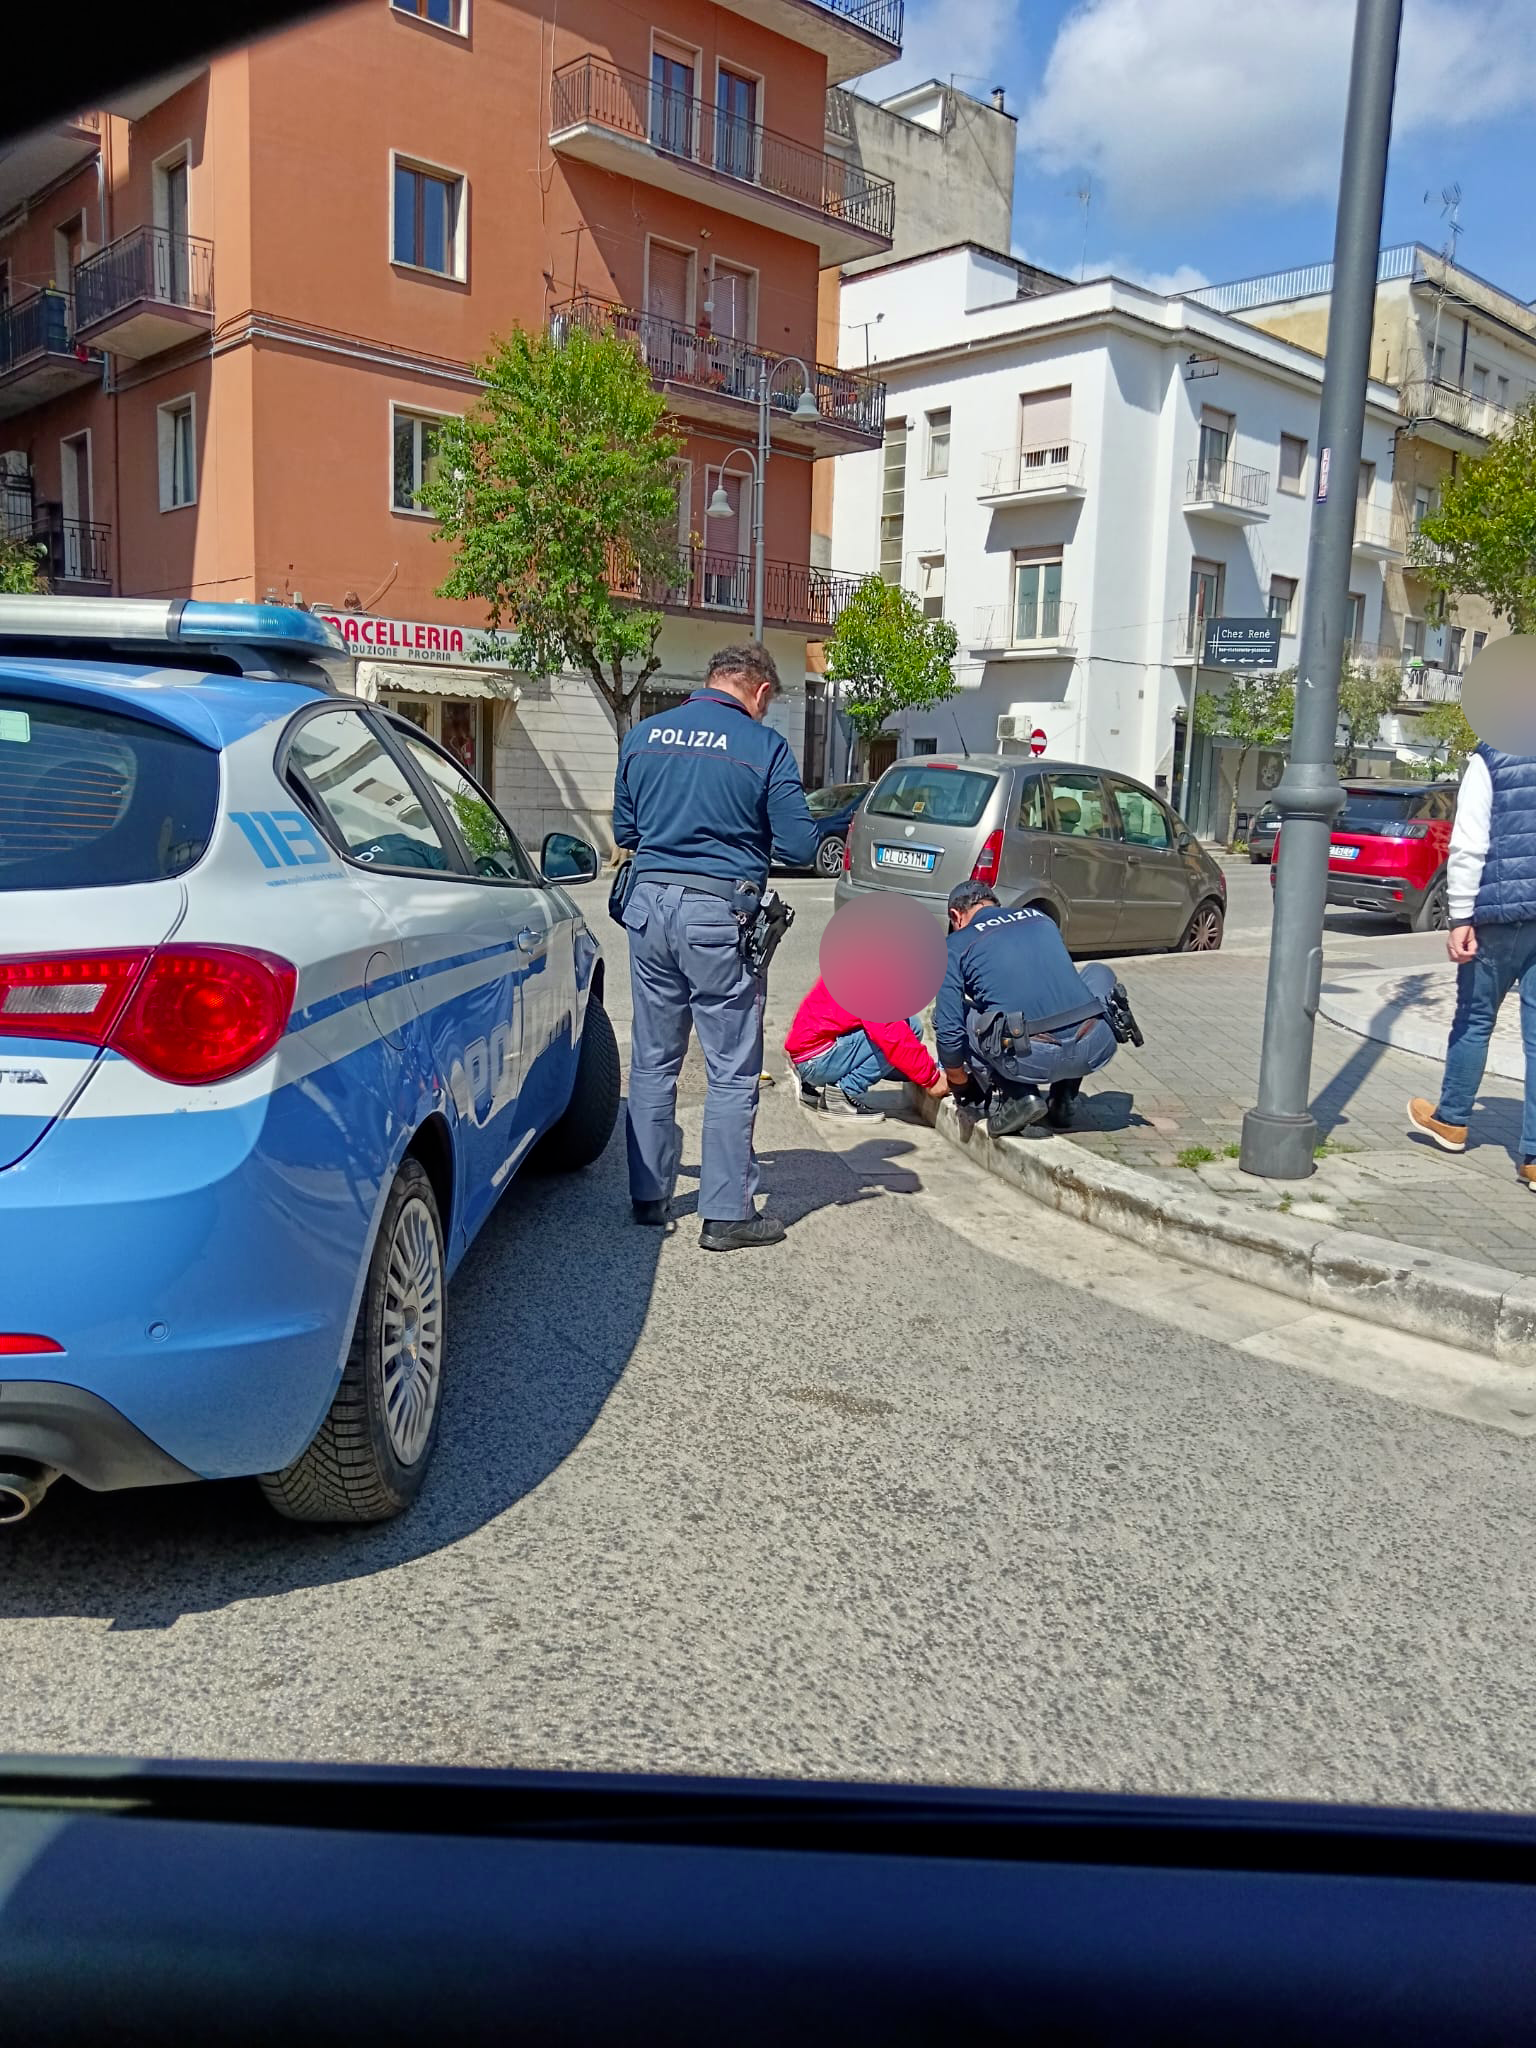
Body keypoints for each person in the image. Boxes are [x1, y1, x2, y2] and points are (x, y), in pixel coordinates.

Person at [612, 643, 819, 1252]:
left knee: (653, 1058)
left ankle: (649, 1195)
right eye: (768, 704)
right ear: (758, 692)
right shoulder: (763, 747)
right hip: (719, 914)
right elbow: (804, 847)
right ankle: (726, 1213)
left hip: (647, 908)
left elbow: (627, 831)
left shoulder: (643, 734)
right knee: (731, 1068)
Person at [1409, 745, 1536, 1189]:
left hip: (1499, 916)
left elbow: (1468, 842)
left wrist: (1460, 916)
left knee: (1476, 1017)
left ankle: (1453, 1119)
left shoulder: (1494, 757)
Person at [935, 880, 1126, 1139]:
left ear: (956, 916)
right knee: (1097, 973)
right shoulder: (1041, 918)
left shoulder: (956, 945)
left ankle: (1020, 1098)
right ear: (994, 904)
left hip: (1030, 1057)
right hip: (1095, 1044)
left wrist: (959, 1082)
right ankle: (1064, 1098)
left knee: (954, 1014)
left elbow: (949, 1032)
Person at [786, 977, 950, 1119]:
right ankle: (841, 1094)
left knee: (904, 1028)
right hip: (816, 1061)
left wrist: (921, 1069)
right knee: (909, 1028)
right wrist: (931, 1078)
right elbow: (891, 1035)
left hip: (807, 1054)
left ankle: (810, 1082)